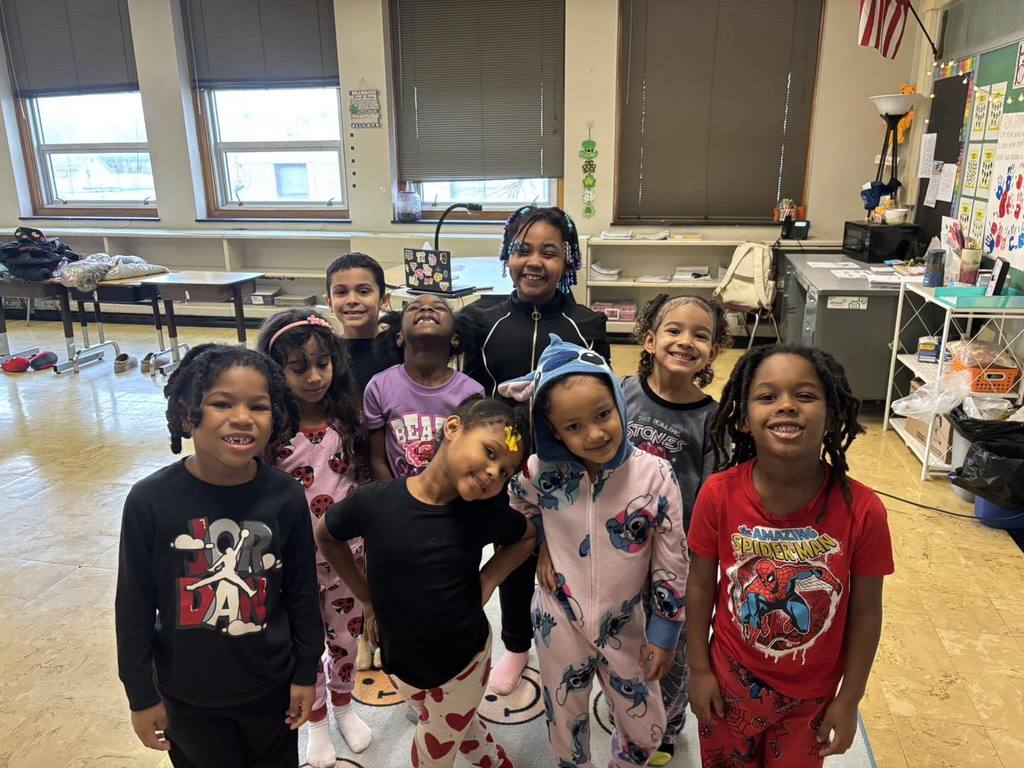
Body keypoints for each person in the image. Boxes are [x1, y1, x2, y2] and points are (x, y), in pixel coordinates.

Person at [115, 344, 322, 768]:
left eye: (258, 406)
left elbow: (302, 591)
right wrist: (140, 695)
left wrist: (305, 673)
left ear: (276, 416)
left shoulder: (285, 496)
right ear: (188, 412)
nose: (242, 417)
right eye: (221, 403)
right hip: (188, 697)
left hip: (271, 690)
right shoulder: (150, 501)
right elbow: (132, 607)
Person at [687, 344, 893, 768]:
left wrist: (849, 699)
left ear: (832, 414)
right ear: (742, 420)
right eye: (767, 396)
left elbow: (867, 611)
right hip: (729, 683)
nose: (786, 406)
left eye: (804, 395)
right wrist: (700, 670)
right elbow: (700, 585)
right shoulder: (717, 494)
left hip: (812, 695)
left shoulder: (864, 509)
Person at [314, 396, 535, 768]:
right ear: (452, 428)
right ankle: (494, 761)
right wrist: (365, 598)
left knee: (433, 748)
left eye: (506, 472)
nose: (496, 473)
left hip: (462, 663)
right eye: (490, 452)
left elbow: (527, 537)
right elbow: (326, 535)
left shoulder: (482, 515)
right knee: (455, 726)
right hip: (400, 662)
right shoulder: (374, 502)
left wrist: (489, 579)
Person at [501, 335, 687, 767]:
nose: (595, 433)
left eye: (603, 414)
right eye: (573, 426)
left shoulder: (654, 474)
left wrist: (665, 630)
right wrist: (540, 540)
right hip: (557, 615)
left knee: (646, 728)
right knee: (564, 716)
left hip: (628, 619)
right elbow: (516, 503)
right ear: (553, 432)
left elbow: (672, 558)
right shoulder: (540, 471)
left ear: (619, 405)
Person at [458, 205, 610, 695]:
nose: (534, 262)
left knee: (566, 555)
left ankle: (576, 636)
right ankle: (517, 644)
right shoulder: (482, 320)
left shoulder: (589, 323)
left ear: (568, 261)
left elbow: (602, 403)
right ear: (507, 256)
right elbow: (471, 397)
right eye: (523, 250)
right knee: (514, 552)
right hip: (501, 466)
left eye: (550, 252)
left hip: (564, 466)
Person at [256, 309, 373, 764]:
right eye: (298, 367)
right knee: (304, 643)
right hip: (292, 561)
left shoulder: (348, 418)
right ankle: (317, 720)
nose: (314, 377)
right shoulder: (271, 430)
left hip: (347, 555)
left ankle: (344, 705)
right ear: (275, 371)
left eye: (322, 364)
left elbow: (361, 484)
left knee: (345, 638)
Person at [623, 292, 729, 765]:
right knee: (625, 631)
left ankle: (667, 726)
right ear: (649, 339)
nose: (686, 341)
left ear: (714, 351)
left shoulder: (712, 419)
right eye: (674, 330)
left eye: (700, 335)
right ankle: (627, 704)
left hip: (676, 556)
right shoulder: (619, 393)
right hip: (618, 546)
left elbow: (712, 497)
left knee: (674, 644)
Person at [364, 293, 482, 480]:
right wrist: (392, 501)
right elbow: (377, 460)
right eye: (414, 307)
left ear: (455, 338)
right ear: (399, 337)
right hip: (398, 499)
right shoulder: (379, 386)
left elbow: (470, 458)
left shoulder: (472, 392)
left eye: (440, 308)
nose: (426, 309)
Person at [326, 252, 392, 392]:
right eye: (341, 292)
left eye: (363, 291)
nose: (352, 300)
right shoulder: (326, 351)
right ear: (329, 303)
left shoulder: (398, 346)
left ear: (384, 300)